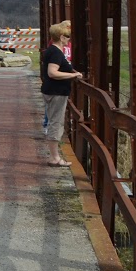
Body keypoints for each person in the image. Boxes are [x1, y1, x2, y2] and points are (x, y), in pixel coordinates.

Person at [40, 21, 79, 166]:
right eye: (68, 37)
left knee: (54, 122)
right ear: (62, 37)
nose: (69, 40)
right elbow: (52, 72)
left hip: (53, 91)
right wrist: (73, 76)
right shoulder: (56, 52)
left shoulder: (52, 50)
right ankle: (54, 158)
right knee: (56, 123)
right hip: (56, 92)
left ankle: (55, 157)